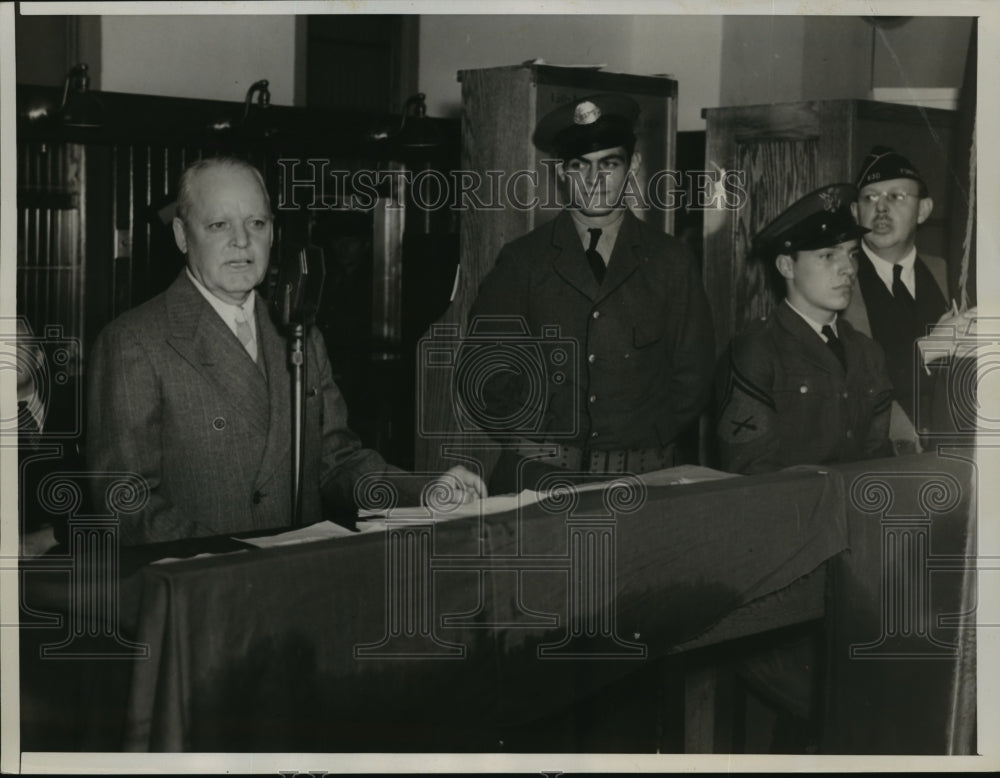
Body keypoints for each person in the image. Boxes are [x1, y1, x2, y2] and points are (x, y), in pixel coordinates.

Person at [87, 157, 484, 546]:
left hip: (294, 581)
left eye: (256, 223)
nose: (241, 241)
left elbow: (336, 461)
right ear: (181, 235)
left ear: (273, 233)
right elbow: (124, 502)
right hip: (204, 589)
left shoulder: (300, 334)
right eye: (219, 224)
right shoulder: (134, 342)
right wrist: (226, 561)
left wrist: (426, 490)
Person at [464, 93, 715, 493]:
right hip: (540, 480)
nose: (594, 180)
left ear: (632, 166)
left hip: (642, 479)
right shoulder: (523, 261)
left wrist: (637, 438)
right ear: (562, 172)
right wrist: (544, 433)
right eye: (579, 166)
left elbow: (693, 378)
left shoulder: (671, 261)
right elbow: (484, 374)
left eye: (609, 164)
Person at [716, 183, 894, 474]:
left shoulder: (868, 352)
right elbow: (751, 476)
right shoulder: (755, 351)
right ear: (787, 266)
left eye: (852, 254)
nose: (848, 268)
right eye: (828, 256)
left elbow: (880, 462)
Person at [843, 145, 965, 450]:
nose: (881, 209)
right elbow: (844, 385)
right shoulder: (838, 280)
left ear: (923, 210)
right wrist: (926, 351)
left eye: (896, 196)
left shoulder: (948, 273)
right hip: (880, 455)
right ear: (855, 212)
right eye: (870, 197)